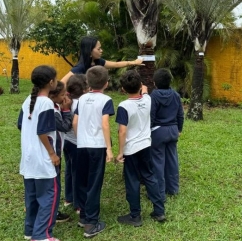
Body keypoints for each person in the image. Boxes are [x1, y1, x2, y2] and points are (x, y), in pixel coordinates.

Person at [115, 70, 165, 227]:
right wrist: (142, 88)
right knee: (150, 176)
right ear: (140, 85)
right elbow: (145, 91)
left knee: (132, 181)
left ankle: (135, 216)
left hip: (131, 149)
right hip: (146, 145)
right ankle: (159, 211)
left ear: (123, 89)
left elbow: (122, 131)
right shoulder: (148, 100)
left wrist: (120, 152)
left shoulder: (123, 106)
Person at [17, 65, 61, 241]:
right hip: (43, 159)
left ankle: (30, 231)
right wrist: (52, 153)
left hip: (28, 158)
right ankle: (42, 235)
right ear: (51, 82)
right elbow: (42, 131)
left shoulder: (27, 100)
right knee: (48, 197)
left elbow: (21, 125)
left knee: (32, 197)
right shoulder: (47, 103)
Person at [72, 66, 114, 238]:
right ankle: (91, 224)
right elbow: (105, 124)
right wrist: (109, 149)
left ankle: (83, 216)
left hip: (81, 146)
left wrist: (81, 137)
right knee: (94, 184)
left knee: (82, 181)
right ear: (106, 83)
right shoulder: (106, 100)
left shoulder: (81, 99)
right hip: (97, 147)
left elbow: (75, 122)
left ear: (87, 82)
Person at [150, 68, 184, 202]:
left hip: (158, 131)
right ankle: (173, 188)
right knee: (172, 160)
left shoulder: (154, 95)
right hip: (173, 130)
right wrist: (179, 129)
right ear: (170, 81)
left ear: (154, 83)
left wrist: (149, 130)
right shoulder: (176, 95)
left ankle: (159, 192)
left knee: (158, 162)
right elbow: (180, 114)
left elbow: (151, 115)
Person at [61, 36, 144, 84]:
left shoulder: (99, 62)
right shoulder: (80, 68)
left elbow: (116, 64)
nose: (101, 51)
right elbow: (62, 83)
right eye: (99, 49)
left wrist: (134, 62)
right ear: (89, 51)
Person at [63, 74, 88, 212]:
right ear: (84, 89)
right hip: (77, 143)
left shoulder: (67, 101)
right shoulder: (81, 104)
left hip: (67, 141)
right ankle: (78, 204)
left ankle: (69, 197)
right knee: (78, 173)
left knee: (69, 169)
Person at [48, 81, 73, 223]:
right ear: (53, 95)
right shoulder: (51, 109)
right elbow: (65, 127)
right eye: (63, 94)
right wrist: (66, 110)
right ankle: (53, 214)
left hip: (52, 150)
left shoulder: (49, 105)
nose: (65, 97)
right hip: (53, 152)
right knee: (54, 185)